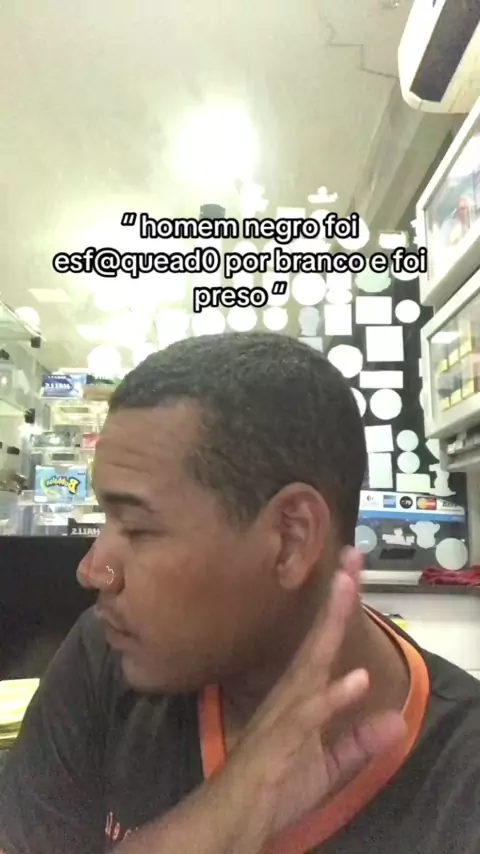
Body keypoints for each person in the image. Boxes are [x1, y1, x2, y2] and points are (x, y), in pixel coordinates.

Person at [1, 332, 479, 854]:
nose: (93, 571)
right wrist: (220, 817)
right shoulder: (105, 652)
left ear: (291, 538)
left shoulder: (462, 779)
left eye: (137, 528)